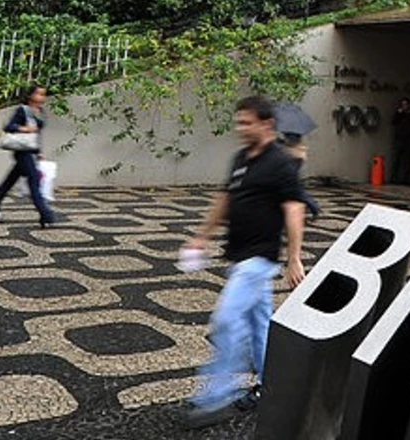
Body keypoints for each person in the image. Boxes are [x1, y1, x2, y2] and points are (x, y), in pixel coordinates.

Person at [180, 96, 309, 428]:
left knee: (226, 319)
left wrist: (294, 258)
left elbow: (294, 210)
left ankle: (215, 396)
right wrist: (202, 236)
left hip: (259, 259)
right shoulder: (241, 158)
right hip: (238, 256)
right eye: (238, 122)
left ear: (266, 124)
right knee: (260, 327)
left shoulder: (280, 163)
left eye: (246, 122)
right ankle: (272, 386)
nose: (240, 128)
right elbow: (225, 199)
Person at [0, 85, 59, 227]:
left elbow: (37, 135)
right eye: (39, 94)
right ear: (30, 95)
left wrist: (39, 152)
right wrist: (24, 128)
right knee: (34, 182)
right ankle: (46, 216)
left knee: (7, 184)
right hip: (22, 153)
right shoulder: (22, 110)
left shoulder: (40, 111)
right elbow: (9, 127)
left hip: (31, 151)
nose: (41, 97)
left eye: (43, 95)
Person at [390, 97, 410, 184]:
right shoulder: (399, 114)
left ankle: (405, 179)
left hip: (409, 140)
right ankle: (394, 178)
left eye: (406, 104)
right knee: (396, 159)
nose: (404, 106)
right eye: (403, 105)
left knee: (407, 160)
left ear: (409, 105)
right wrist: (399, 113)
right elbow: (394, 122)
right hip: (399, 139)